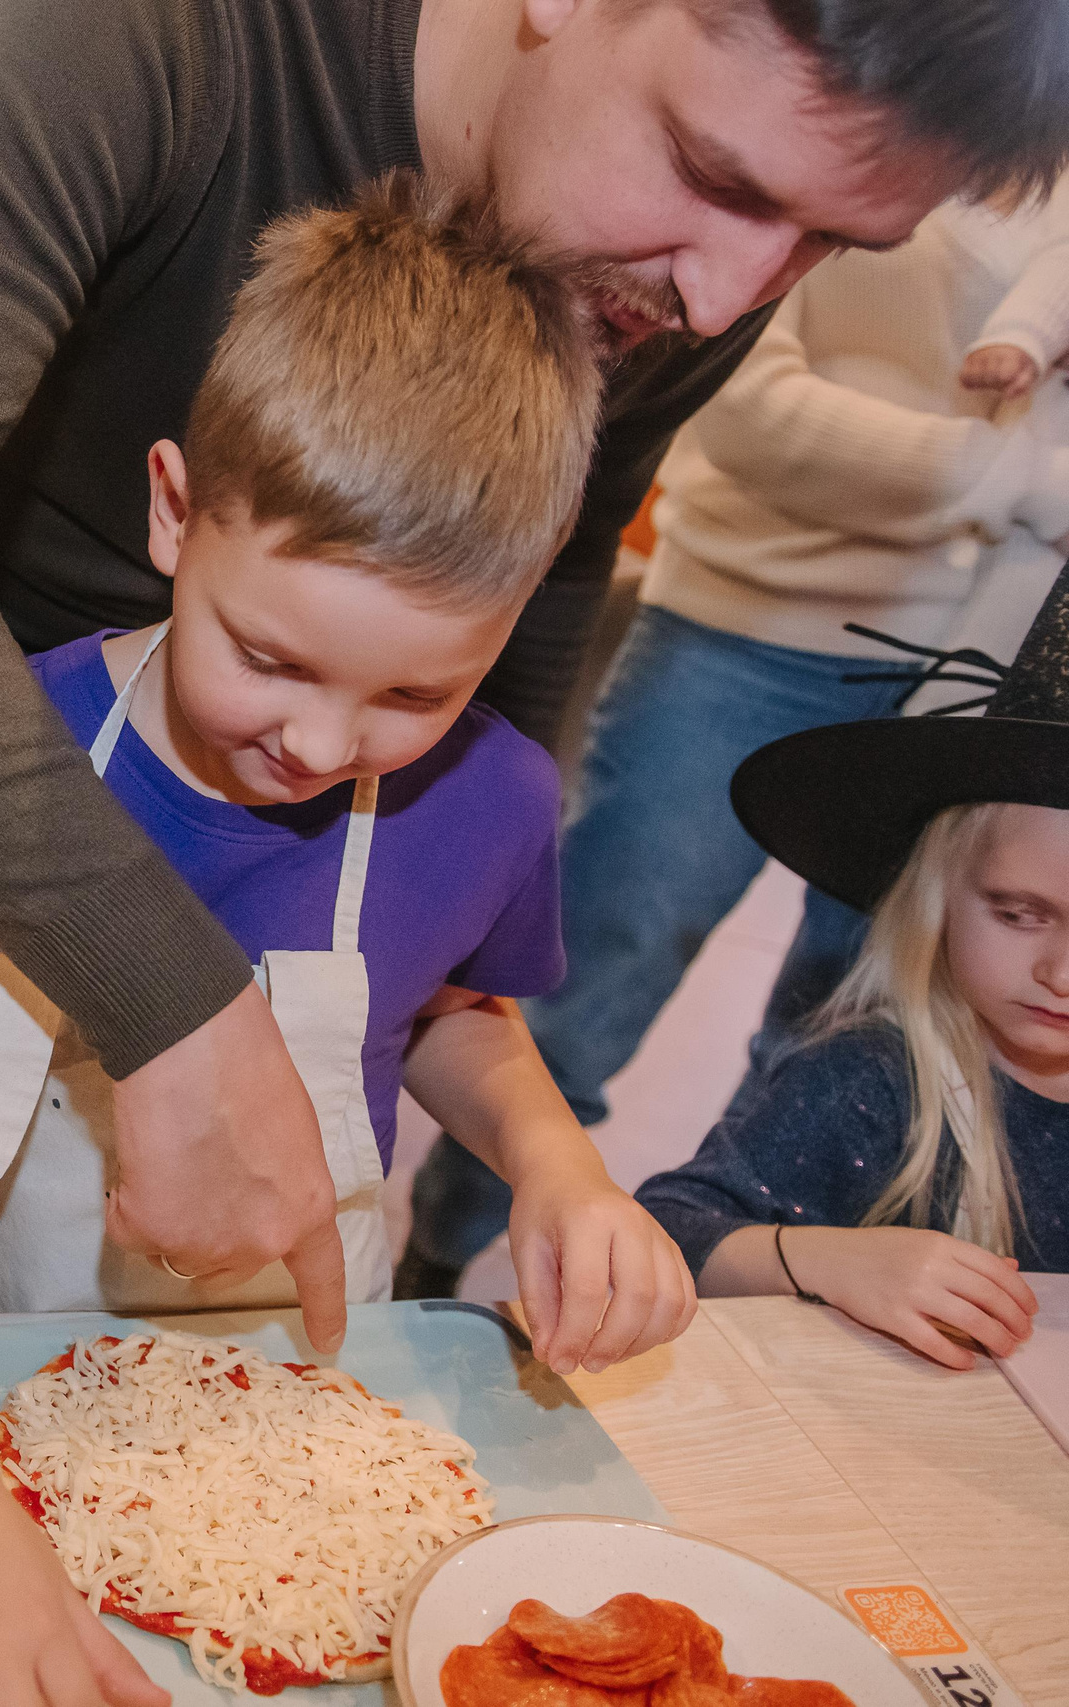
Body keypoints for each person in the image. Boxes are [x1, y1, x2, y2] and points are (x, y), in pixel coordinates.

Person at [0, 0, 1069, 1336]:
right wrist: (173, 996)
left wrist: (462, 832)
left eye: (830, 243)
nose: (724, 299)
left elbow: (555, 574)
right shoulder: (153, 35)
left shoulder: (688, 279)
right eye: (714, 172)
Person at [0, 181, 696, 1707]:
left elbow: (451, 1008)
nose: (322, 742)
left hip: (298, 1427)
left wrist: (557, 1161)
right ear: (176, 511)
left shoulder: (495, 799)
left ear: (521, 609)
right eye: (269, 655)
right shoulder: (2, 748)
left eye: (413, 697)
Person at [401, 194, 1069, 1296]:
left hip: (987, 685)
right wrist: (1022, 483)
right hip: (752, 628)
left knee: (843, 1027)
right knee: (593, 970)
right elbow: (751, 411)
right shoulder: (844, 142)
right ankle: (438, 1258)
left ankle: (787, 1287)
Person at [635, 569, 1069, 1370]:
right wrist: (820, 1258)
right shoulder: (868, 1084)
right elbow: (665, 1232)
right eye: (1018, 913)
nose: (1062, 974)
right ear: (935, 899)